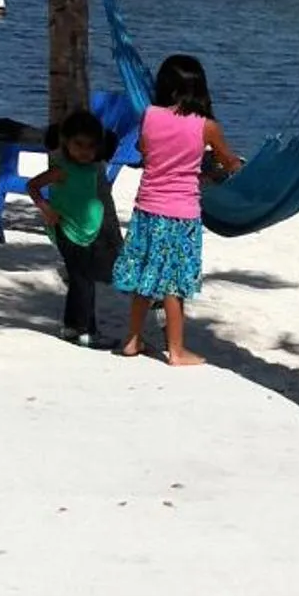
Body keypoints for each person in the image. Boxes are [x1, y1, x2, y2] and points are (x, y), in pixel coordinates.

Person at [113, 54, 242, 366]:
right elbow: (230, 163)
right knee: (174, 284)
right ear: (200, 88)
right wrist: (223, 170)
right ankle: (177, 350)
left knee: (143, 275)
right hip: (181, 214)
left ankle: (131, 340)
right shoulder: (207, 127)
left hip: (147, 208)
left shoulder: (150, 115)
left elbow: (146, 152)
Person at [26, 106, 123, 346]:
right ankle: (85, 331)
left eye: (91, 146)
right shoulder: (62, 170)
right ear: (66, 142)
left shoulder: (92, 168)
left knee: (82, 278)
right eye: (79, 145)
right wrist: (46, 208)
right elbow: (33, 185)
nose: (85, 152)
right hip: (67, 229)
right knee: (83, 281)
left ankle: (72, 327)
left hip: (86, 232)